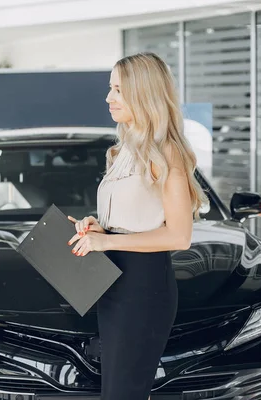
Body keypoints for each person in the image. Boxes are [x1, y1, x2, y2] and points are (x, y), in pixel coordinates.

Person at [67, 52, 208, 400]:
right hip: (112, 283)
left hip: (143, 287)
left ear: (143, 93)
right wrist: (98, 228)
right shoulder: (121, 151)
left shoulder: (168, 152)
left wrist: (107, 244)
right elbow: (132, 220)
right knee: (116, 391)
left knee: (124, 392)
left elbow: (179, 235)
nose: (108, 97)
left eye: (118, 89)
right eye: (110, 88)